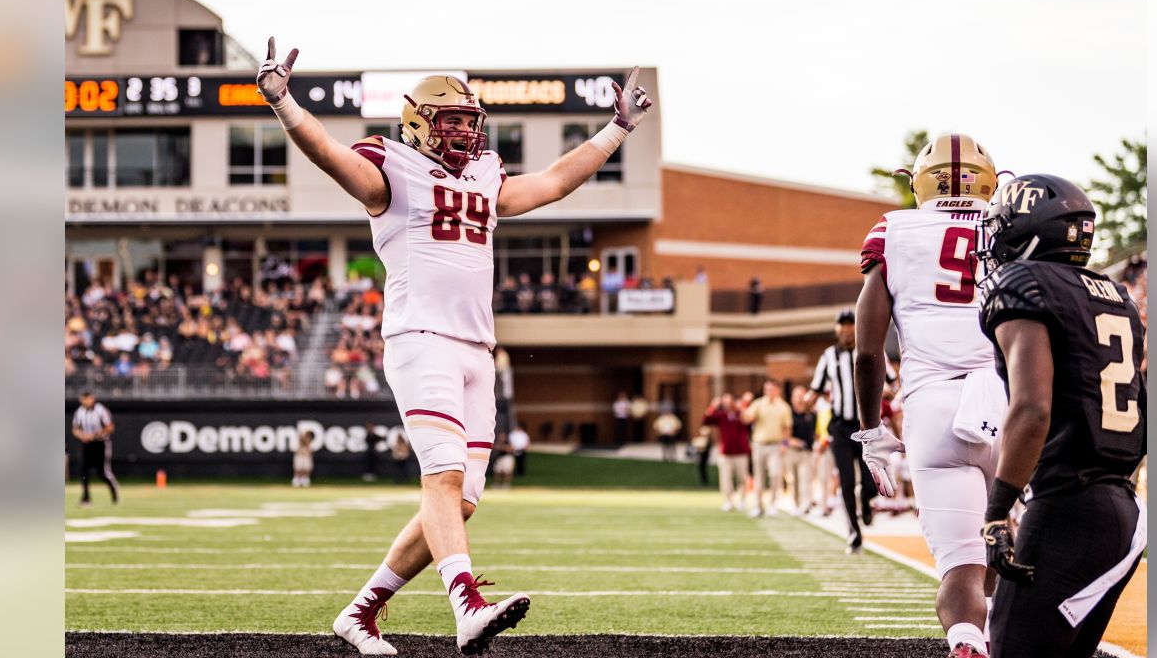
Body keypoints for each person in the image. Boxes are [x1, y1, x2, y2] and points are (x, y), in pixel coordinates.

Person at [257, 40, 653, 656]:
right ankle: (466, 606)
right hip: (421, 339)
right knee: (440, 479)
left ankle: (360, 614)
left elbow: (550, 182)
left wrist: (617, 129)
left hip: (476, 349)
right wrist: (283, 103)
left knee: (462, 501)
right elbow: (331, 156)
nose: (466, 131)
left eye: (471, 120)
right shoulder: (391, 168)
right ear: (419, 121)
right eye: (454, 120)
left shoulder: (485, 173)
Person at [976, 174, 1147, 658]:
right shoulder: (1115, 297)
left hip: (1067, 510)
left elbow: (1032, 408)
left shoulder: (1021, 282)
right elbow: (1144, 407)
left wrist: (996, 512)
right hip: (1121, 511)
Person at [850, 134, 1004, 655]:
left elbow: (868, 352)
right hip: (1011, 405)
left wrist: (872, 431)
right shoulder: (1014, 225)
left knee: (962, 565)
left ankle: (965, 639)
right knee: (1010, 553)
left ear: (918, 182)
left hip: (934, 407)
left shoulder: (893, 229)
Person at [805, 311, 877, 552]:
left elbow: (889, 380)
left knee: (871, 482)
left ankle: (866, 499)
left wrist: (888, 391)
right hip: (840, 427)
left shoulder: (870, 349)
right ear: (837, 329)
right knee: (845, 481)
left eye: (851, 325)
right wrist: (807, 400)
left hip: (867, 426)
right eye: (843, 325)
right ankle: (854, 532)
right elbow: (815, 388)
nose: (847, 330)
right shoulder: (829, 356)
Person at [741, 379, 792, 518]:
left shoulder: (783, 407)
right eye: (766, 389)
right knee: (759, 477)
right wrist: (744, 405)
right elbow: (747, 419)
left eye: (771, 389)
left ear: (777, 390)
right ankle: (758, 506)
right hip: (759, 444)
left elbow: (787, 428)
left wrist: (785, 444)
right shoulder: (758, 404)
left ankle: (772, 505)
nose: (768, 392)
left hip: (775, 445)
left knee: (775, 475)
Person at [70, 391, 119, 506]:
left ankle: (114, 493)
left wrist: (96, 435)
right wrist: (83, 436)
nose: (86, 401)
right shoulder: (79, 411)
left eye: (88, 398)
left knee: (102, 472)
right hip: (86, 444)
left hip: (100, 443)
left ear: (92, 398)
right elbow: (75, 429)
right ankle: (86, 498)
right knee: (83, 471)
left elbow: (110, 427)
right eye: (84, 399)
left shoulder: (100, 410)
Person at [704, 393, 750, 511]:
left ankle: (742, 500)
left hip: (741, 452)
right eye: (724, 403)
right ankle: (728, 501)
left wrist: (744, 404)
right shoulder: (722, 415)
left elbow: (749, 420)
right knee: (725, 479)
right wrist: (713, 406)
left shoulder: (741, 414)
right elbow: (706, 420)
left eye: (729, 402)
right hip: (726, 453)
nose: (727, 405)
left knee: (742, 478)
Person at [786, 385, 818, 516]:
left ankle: (806, 505)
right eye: (796, 395)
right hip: (792, 451)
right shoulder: (788, 414)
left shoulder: (811, 414)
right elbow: (785, 434)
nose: (799, 398)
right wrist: (792, 441)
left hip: (807, 452)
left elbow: (815, 432)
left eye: (801, 395)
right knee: (794, 481)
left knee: (806, 479)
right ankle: (796, 504)